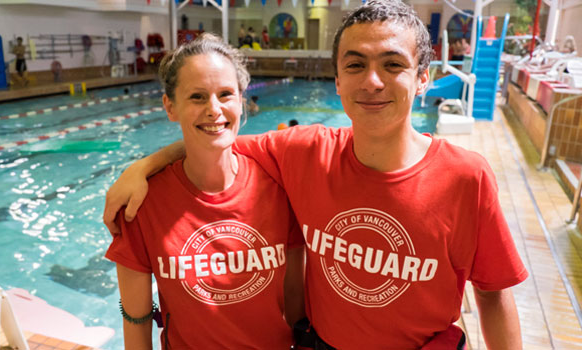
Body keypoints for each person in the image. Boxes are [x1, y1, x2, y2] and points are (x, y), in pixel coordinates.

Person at [103, 1, 528, 349]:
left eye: (393, 64)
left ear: (423, 80)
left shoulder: (465, 177)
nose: (373, 81)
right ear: (338, 80)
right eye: (356, 65)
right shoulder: (306, 151)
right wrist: (143, 167)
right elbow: (217, 139)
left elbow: (492, 293)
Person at [104, 33, 305, 349]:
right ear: (170, 106)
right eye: (197, 97)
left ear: (241, 101)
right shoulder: (141, 203)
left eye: (225, 94)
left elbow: (296, 302)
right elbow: (136, 322)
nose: (214, 110)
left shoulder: (280, 188)